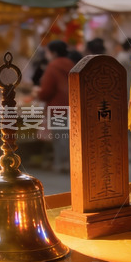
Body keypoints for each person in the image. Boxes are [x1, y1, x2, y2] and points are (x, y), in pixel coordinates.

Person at [37, 40, 75, 172]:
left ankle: (63, 165)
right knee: (69, 137)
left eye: (48, 51)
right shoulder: (72, 65)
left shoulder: (53, 67)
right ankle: (72, 163)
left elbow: (46, 91)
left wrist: (38, 94)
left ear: (53, 52)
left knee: (60, 138)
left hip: (57, 107)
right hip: (73, 105)